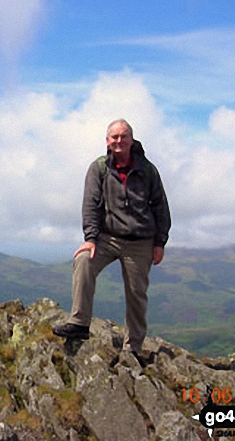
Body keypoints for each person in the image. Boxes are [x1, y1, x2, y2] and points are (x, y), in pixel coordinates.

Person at [53, 119, 171, 364]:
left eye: (123, 136)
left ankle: (133, 348)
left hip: (141, 241)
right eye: (114, 137)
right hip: (107, 238)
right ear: (107, 141)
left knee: (137, 294)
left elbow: (160, 206)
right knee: (84, 260)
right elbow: (90, 204)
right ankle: (79, 323)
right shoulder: (99, 168)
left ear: (131, 139)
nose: (118, 141)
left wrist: (160, 243)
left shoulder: (147, 170)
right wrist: (91, 239)